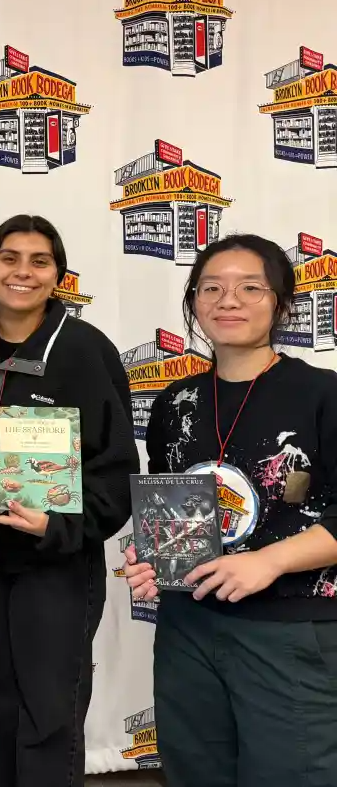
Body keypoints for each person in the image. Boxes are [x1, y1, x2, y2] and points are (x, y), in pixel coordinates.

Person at [123, 234, 337, 786]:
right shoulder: (176, 402)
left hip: (288, 628)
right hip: (188, 627)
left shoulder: (322, 394)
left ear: (281, 304)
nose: (228, 300)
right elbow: (172, 513)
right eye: (211, 288)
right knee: (195, 772)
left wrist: (268, 561)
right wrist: (153, 557)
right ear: (195, 301)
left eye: (249, 288)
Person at [0, 215, 140, 787]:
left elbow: (117, 472)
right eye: (9, 258)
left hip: (56, 563)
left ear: (58, 275)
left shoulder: (85, 352)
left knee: (49, 714)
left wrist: (57, 525)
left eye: (40, 261)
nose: (23, 272)